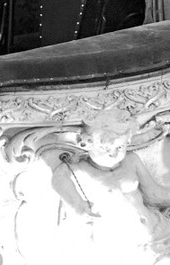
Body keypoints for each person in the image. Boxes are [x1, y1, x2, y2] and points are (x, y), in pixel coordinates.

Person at [51, 109, 170, 263]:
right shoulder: (81, 169)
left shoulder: (130, 160)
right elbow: (59, 177)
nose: (114, 154)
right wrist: (77, 204)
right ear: (87, 144)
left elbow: (154, 193)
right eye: (105, 148)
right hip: (125, 246)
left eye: (120, 147)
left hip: (159, 230)